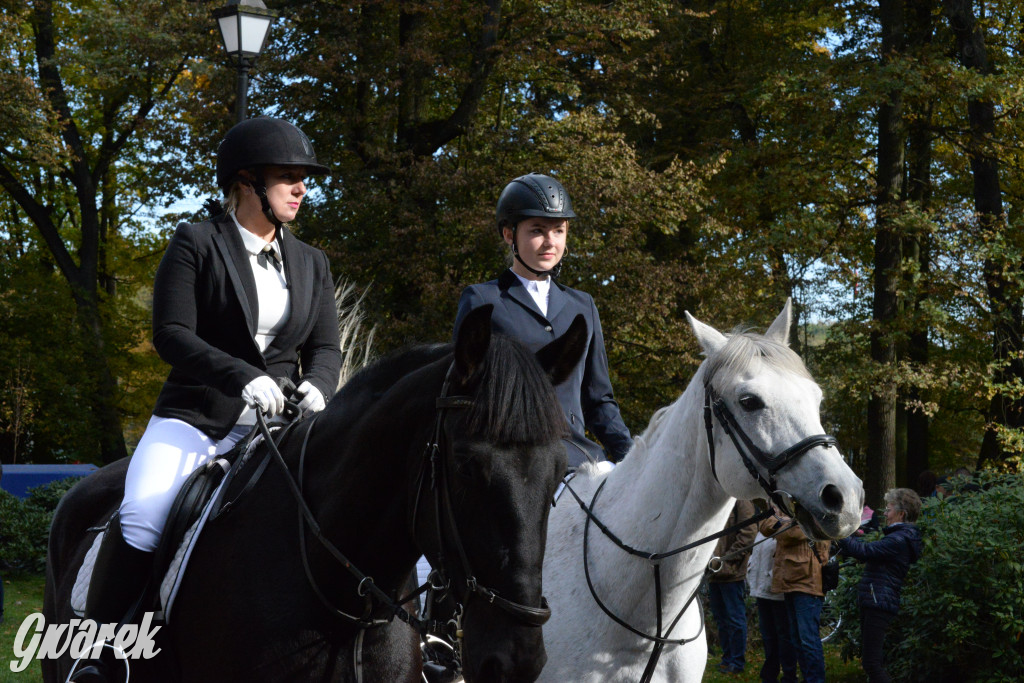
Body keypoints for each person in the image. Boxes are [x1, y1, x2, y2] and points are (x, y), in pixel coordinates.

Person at [76, 116, 341, 682]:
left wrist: (319, 387)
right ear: (246, 182)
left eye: (303, 178)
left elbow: (325, 348)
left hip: (283, 427)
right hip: (196, 417)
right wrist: (240, 376)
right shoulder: (196, 242)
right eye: (287, 177)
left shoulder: (312, 262)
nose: (301, 189)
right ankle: (95, 655)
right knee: (145, 512)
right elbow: (172, 333)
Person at [453, 173, 632, 468]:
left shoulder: (582, 305)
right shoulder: (482, 301)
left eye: (558, 231)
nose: (550, 242)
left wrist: (631, 457)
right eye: (537, 230)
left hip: (579, 458)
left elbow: (598, 399)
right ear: (510, 234)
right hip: (513, 463)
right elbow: (463, 393)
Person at [837, 488, 923, 683]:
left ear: (902, 513)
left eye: (889, 509)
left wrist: (836, 528)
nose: (885, 513)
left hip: (878, 602)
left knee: (872, 664)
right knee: (872, 663)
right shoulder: (899, 537)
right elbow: (865, 549)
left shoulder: (899, 539)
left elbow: (861, 550)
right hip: (876, 600)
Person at [760, 509, 828, 683]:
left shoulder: (814, 511)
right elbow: (764, 528)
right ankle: (808, 677)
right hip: (789, 580)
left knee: (807, 639)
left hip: (808, 581)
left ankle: (815, 679)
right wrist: (786, 519)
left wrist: (782, 519)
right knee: (797, 638)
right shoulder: (791, 512)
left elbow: (789, 534)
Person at [708, 499, 757, 675]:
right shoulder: (718, 500)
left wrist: (727, 561)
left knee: (735, 618)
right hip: (713, 573)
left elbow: (748, 533)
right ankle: (727, 659)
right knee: (721, 618)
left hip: (732, 573)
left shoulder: (742, 501)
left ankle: (737, 662)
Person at [747, 525, 798, 683]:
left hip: (778, 590)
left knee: (784, 636)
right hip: (761, 588)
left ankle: (789, 676)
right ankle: (769, 674)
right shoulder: (767, 524)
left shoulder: (788, 525)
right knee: (768, 635)